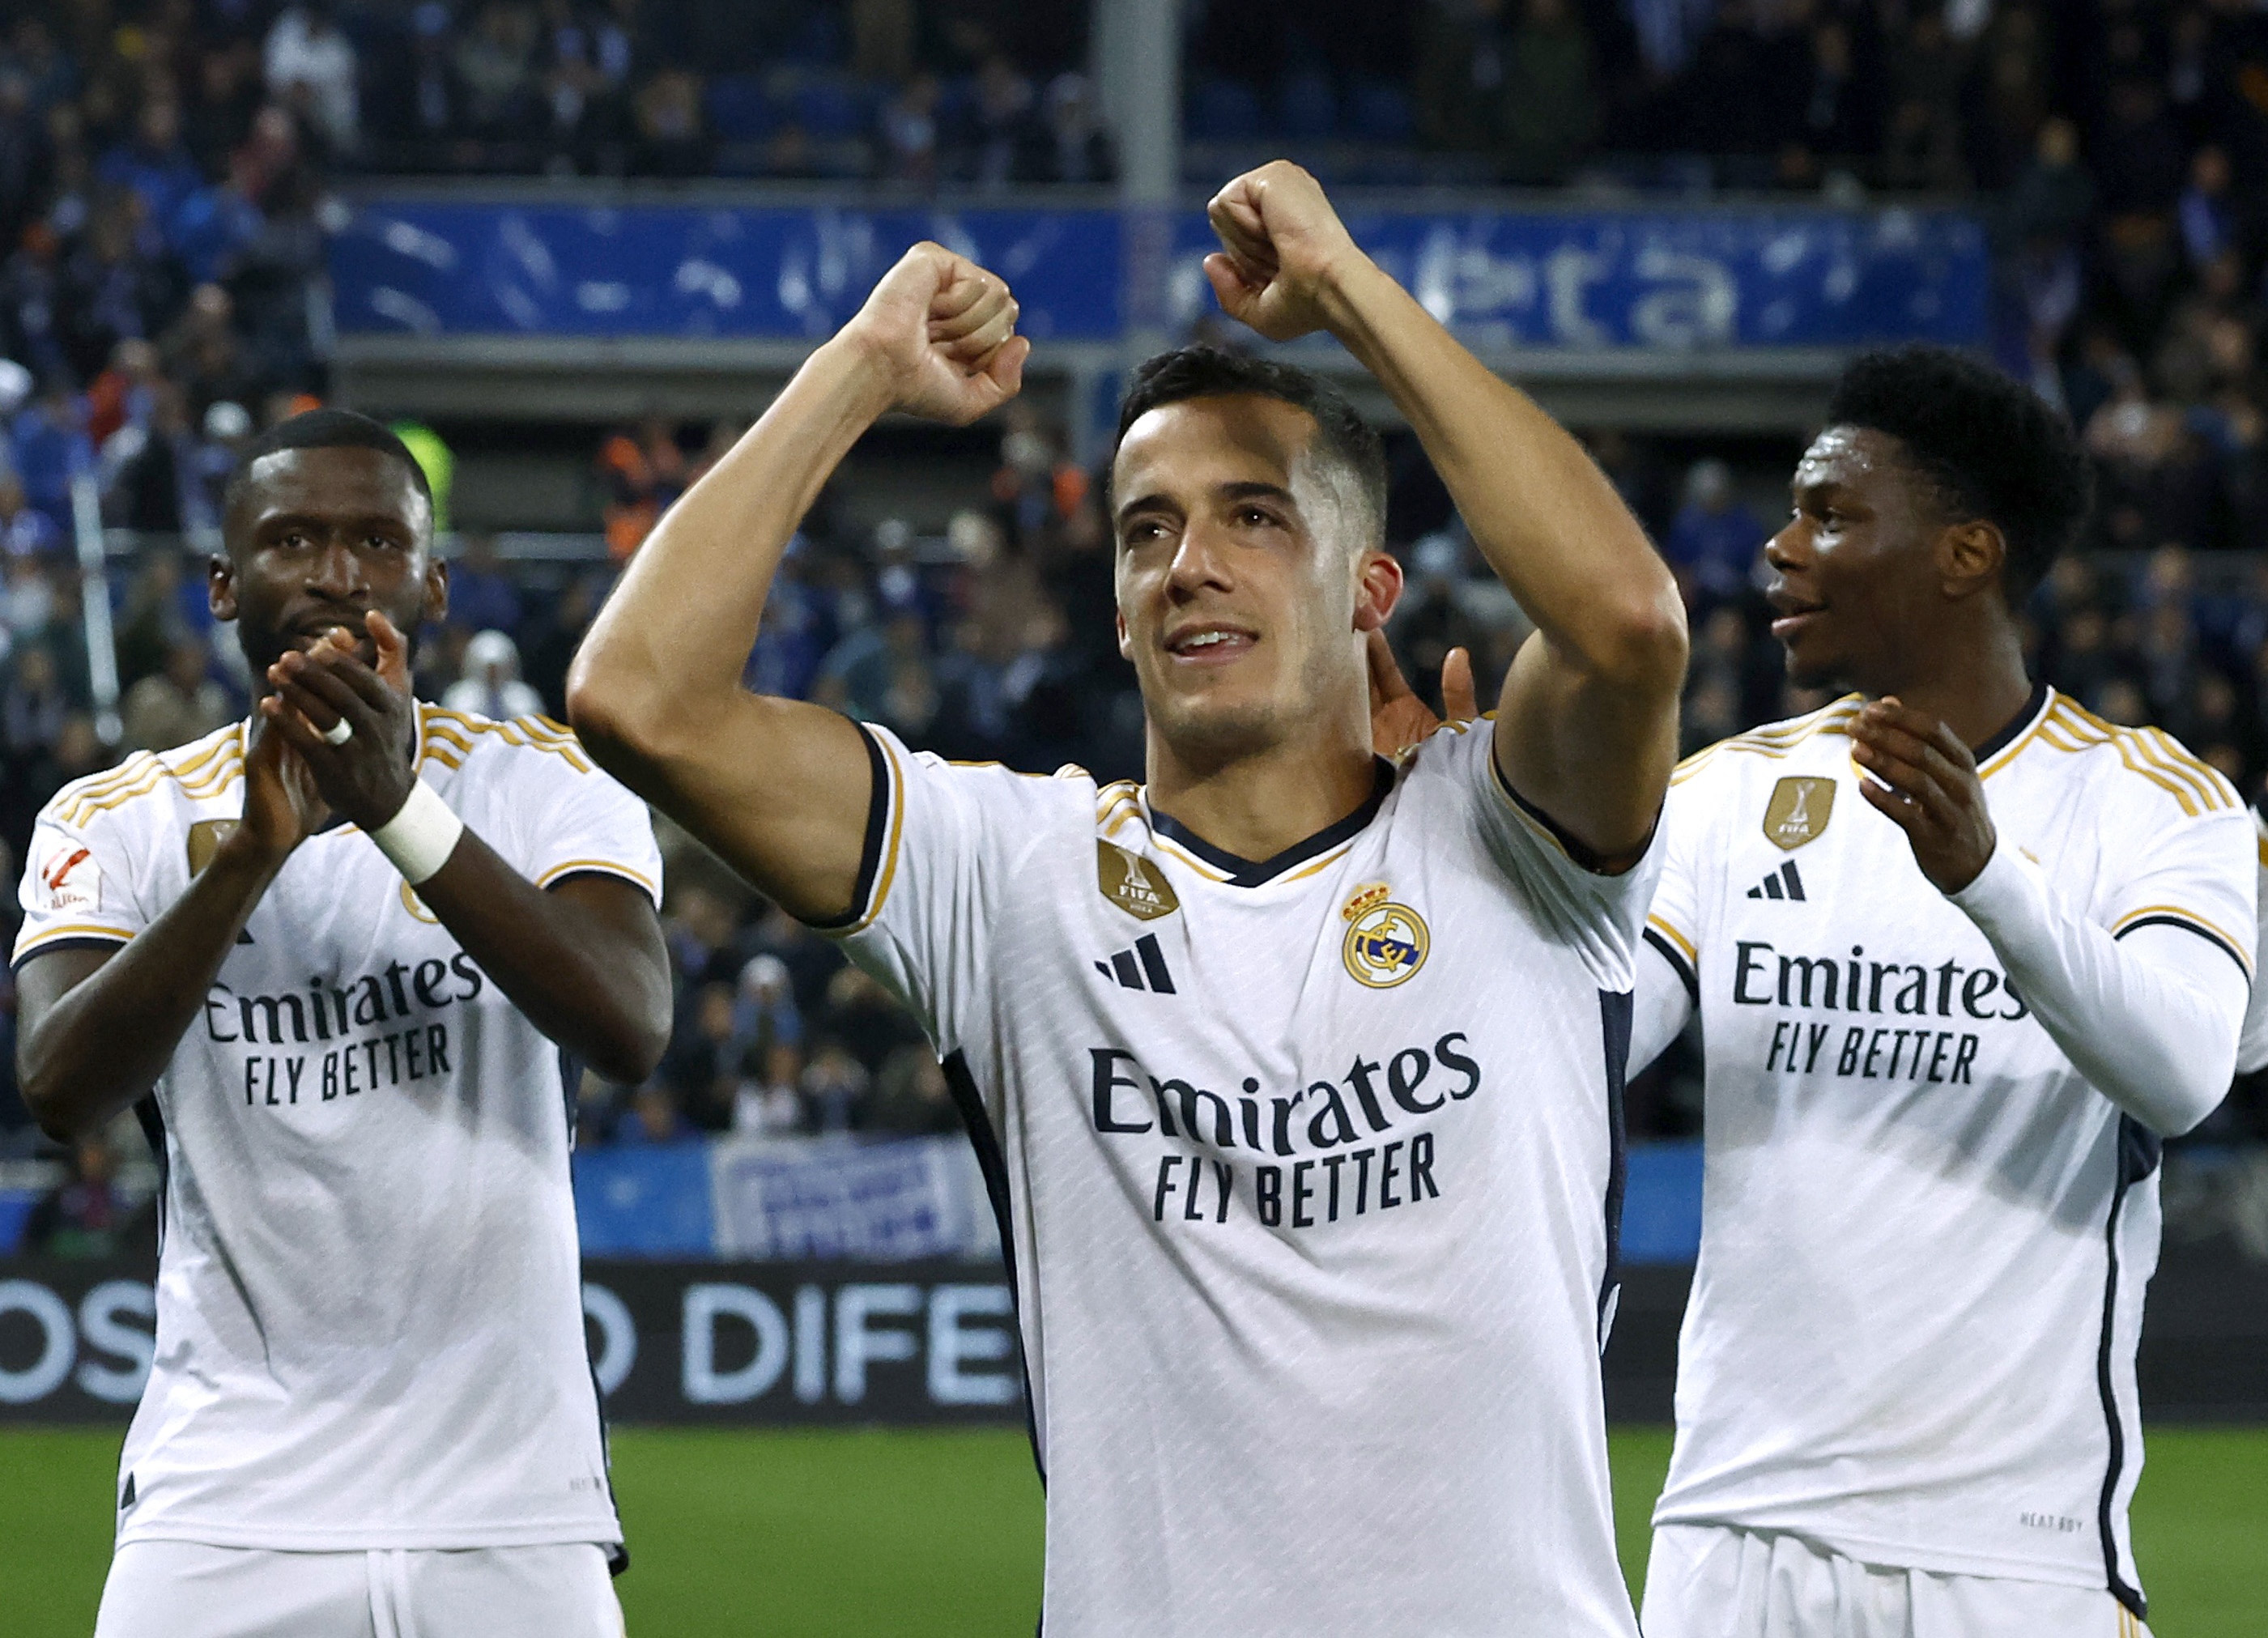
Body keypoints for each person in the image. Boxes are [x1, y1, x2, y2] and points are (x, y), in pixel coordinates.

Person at [568, 161, 1686, 1635]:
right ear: (1112, 604)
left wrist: (1347, 290)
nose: (1187, 566)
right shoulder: (1009, 879)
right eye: (1146, 530)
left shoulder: (1507, 836)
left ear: (1369, 590)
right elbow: (636, 699)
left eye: (1253, 518)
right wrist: (861, 368)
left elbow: (1625, 622)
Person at [13, 409, 672, 1638]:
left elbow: (630, 1025)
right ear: (223, 585)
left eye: (377, 541)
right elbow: (59, 1087)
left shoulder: (548, 779)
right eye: (292, 541)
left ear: (433, 583)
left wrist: (397, 810)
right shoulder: (120, 817)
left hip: (510, 1507)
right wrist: (249, 858)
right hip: (223, 1504)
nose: (335, 573)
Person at [1628, 348, 2251, 1636]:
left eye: (1830, 514)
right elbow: (1579, 1039)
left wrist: (1985, 878)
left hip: (2009, 1557)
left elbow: (2185, 1071)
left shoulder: (2153, 805)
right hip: (1732, 1540)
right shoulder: (1729, 795)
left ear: (1965, 555)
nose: (1779, 549)